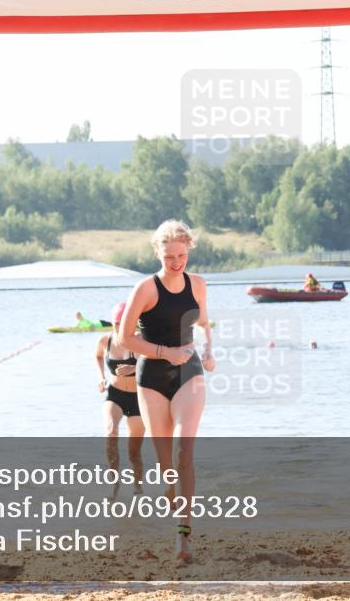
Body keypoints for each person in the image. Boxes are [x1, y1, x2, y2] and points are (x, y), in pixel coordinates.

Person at [119, 220, 215, 562]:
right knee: (166, 466)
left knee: (183, 451)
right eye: (169, 255)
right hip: (152, 377)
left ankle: (183, 538)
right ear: (157, 253)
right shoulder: (145, 289)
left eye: (182, 255)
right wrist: (164, 353)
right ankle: (171, 492)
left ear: (189, 250)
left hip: (189, 370)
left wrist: (209, 350)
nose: (176, 262)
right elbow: (124, 338)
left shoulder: (199, 285)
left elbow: (203, 323)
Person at [95, 302, 145, 501]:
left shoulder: (140, 341)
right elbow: (98, 357)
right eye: (115, 323)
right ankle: (113, 485)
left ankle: (138, 488)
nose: (118, 328)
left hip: (138, 399)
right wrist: (100, 377)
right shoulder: (105, 340)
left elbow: (157, 362)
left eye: (122, 324)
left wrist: (135, 369)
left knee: (134, 451)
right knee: (110, 432)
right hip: (115, 394)